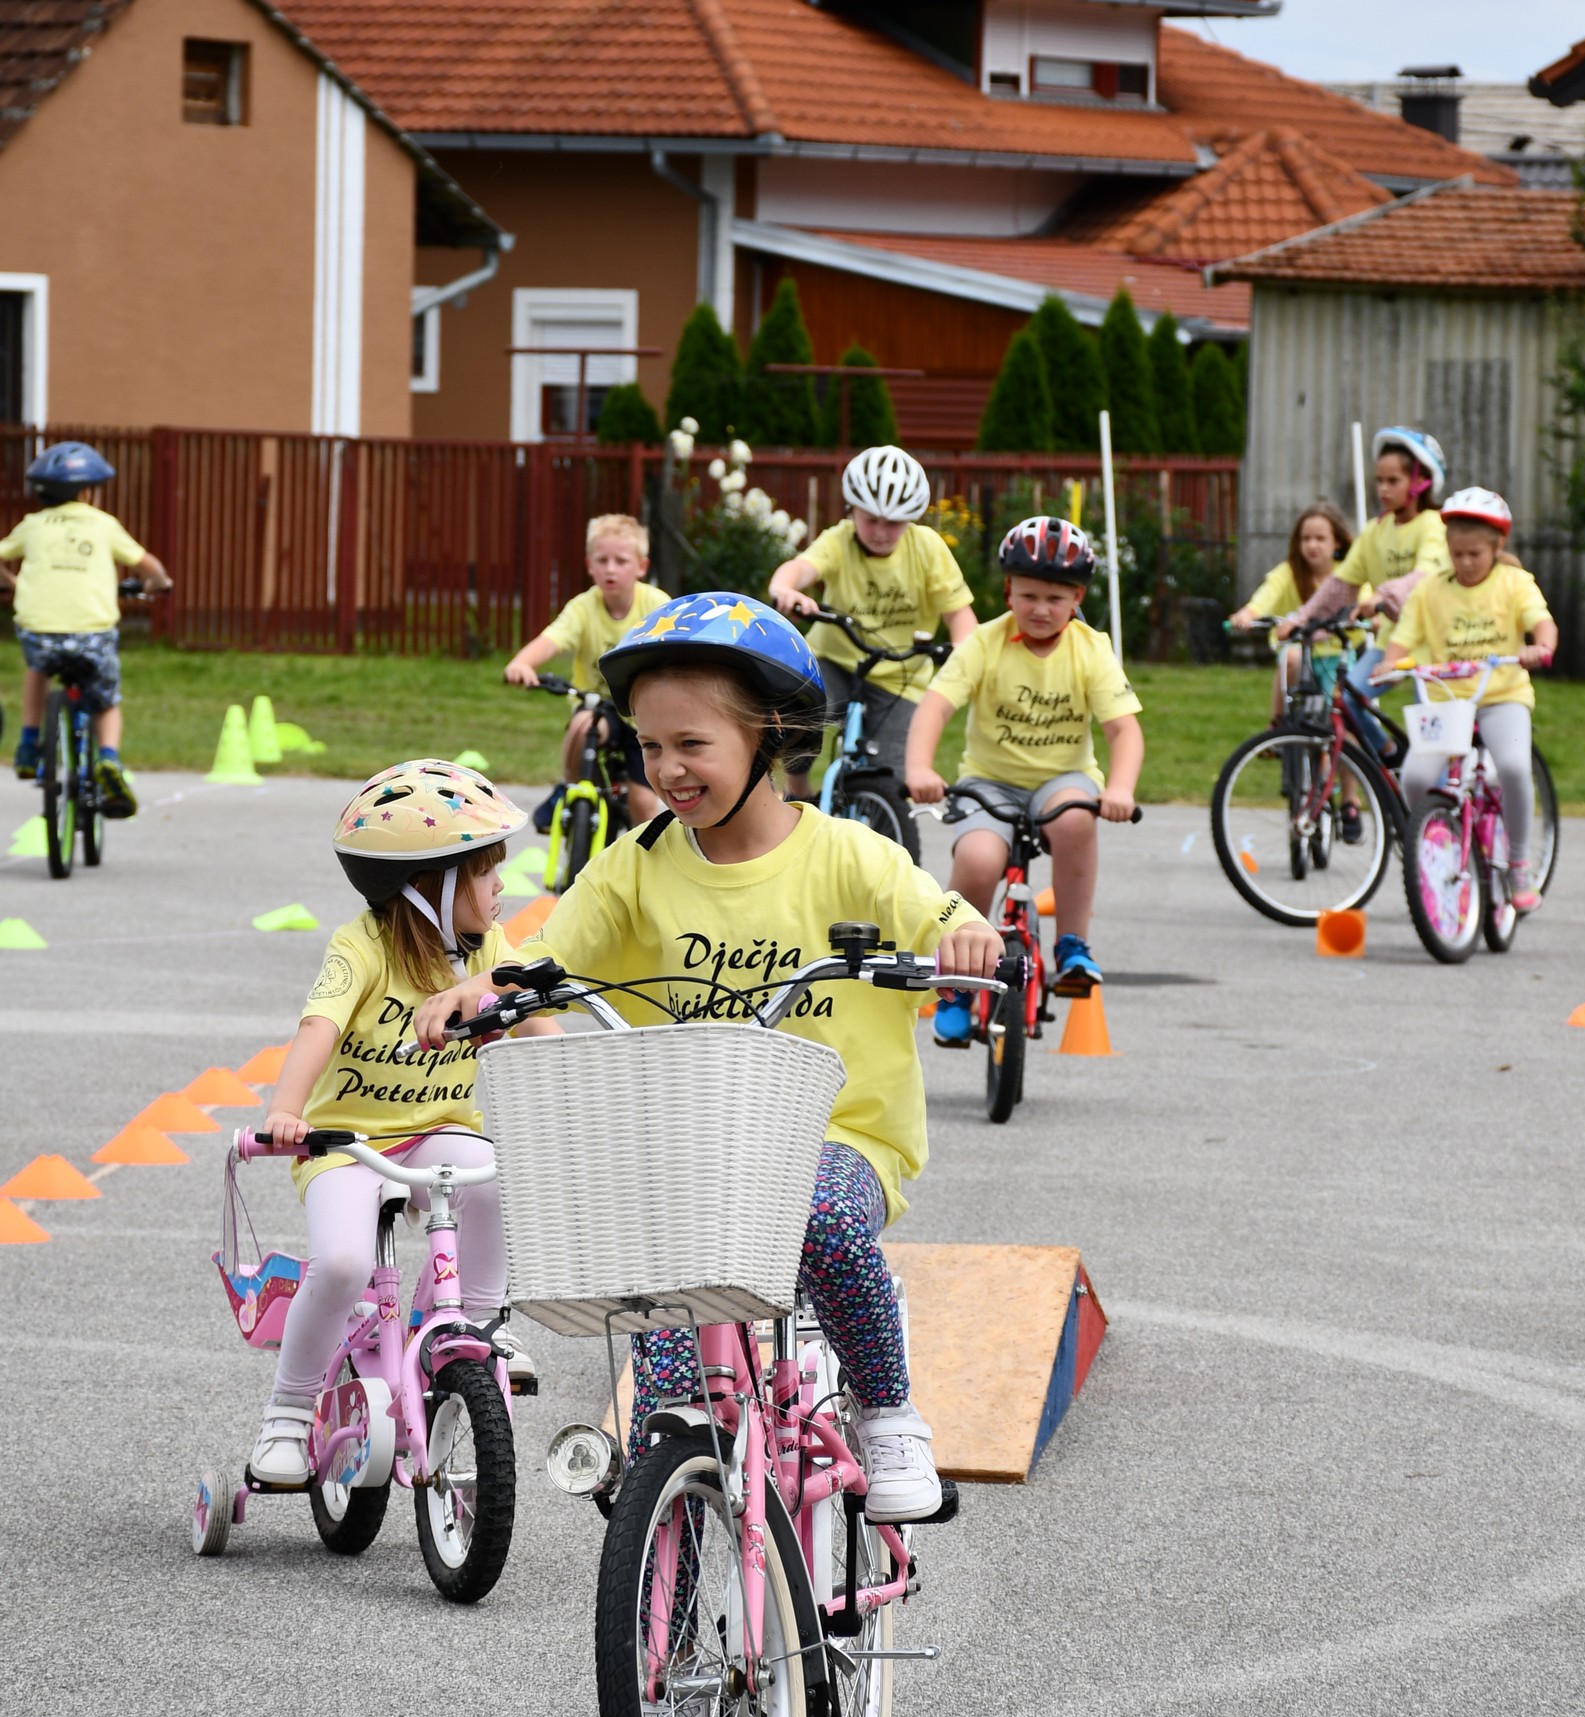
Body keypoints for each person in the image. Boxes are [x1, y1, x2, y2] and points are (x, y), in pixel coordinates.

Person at [411, 594, 1004, 1525]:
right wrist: (479, 991)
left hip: (836, 1136)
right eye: (650, 748)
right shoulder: (638, 862)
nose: (667, 770)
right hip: (690, 1148)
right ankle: (672, 1517)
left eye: (692, 744)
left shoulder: (848, 854)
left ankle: (888, 1411)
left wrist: (967, 934)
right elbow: (544, 958)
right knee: (661, 1362)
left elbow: (939, 913)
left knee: (820, 1214)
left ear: (768, 737)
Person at [246, 760, 557, 1488]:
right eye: (487, 875)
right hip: (346, 1144)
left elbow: (538, 1024)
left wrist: (581, 1078)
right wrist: (284, 1111)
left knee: (493, 1184)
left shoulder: (488, 952)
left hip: (438, 1127)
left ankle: (476, 1326)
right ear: (437, 886)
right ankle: (287, 1416)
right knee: (346, 1265)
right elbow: (318, 1027)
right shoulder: (363, 946)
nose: (502, 889)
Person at [903, 515, 1143, 1041]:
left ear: (1077, 597)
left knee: (1079, 820)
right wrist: (920, 768)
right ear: (1008, 590)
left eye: (1055, 599)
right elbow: (936, 708)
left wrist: (1120, 790)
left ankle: (1073, 946)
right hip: (989, 783)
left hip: (1063, 779)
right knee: (978, 858)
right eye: (1028, 595)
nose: (1040, 609)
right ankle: (959, 980)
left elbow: (1124, 732)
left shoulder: (1091, 649)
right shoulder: (984, 645)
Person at [1378, 488, 1558, 915]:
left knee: (1515, 768)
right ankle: (1438, 840)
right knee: (1416, 779)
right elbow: (1402, 638)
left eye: (1475, 554)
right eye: (1457, 554)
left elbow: (1542, 623)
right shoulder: (1429, 591)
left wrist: (1541, 646)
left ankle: (1517, 862)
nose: (1465, 563)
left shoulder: (1515, 583)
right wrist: (1388, 665)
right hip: (1447, 701)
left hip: (1502, 696)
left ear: (1498, 547)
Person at [768, 446, 977, 800]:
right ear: (853, 510)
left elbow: (959, 615)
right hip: (833, 661)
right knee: (797, 714)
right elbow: (801, 568)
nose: (880, 531)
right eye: (870, 519)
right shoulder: (839, 540)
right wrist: (786, 589)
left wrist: (963, 650)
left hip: (900, 678)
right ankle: (799, 791)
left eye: (893, 523)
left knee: (892, 779)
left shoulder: (927, 548)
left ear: (910, 519)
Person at [1, 440, 172, 818]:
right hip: (91, 634)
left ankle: (29, 742)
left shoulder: (32, 525)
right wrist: (158, 584)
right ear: (89, 491)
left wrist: (14, 582)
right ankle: (109, 758)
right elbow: (149, 566)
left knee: (38, 669)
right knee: (106, 701)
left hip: (40, 631)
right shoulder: (102, 524)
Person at [505, 512, 670, 830]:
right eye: (602, 560)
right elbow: (551, 639)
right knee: (583, 724)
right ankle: (567, 789)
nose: (610, 569)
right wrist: (522, 663)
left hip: (645, 715)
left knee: (644, 806)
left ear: (641, 567)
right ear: (589, 564)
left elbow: (678, 645)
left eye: (621, 561)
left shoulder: (656, 605)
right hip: (600, 708)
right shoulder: (583, 607)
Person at [1278, 427, 1451, 640]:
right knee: (1352, 676)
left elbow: (1425, 577)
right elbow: (1339, 585)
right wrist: (1301, 618)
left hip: (1432, 642)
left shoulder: (1435, 524)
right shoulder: (1373, 530)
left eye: (1393, 481)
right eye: (1379, 480)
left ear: (1420, 481)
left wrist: (1383, 594)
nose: (1382, 489)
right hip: (1389, 641)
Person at [1226, 501, 1364, 723]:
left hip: (1338, 654)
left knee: (1343, 716)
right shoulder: (1288, 572)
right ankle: (1279, 723)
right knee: (1291, 657)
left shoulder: (1348, 573)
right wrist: (1248, 614)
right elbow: (1267, 594)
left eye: (1320, 539)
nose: (1312, 545)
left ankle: (1343, 750)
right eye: (1306, 538)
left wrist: (1366, 613)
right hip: (1300, 649)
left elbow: (1363, 597)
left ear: (1337, 542)